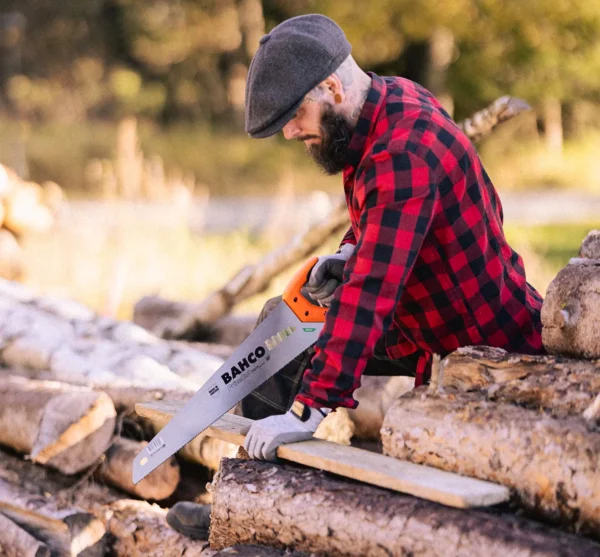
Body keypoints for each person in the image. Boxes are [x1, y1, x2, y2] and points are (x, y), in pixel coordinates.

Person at [166, 13, 544, 537]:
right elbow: (378, 230)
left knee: (305, 347)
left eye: (296, 115)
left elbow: (369, 296)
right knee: (283, 326)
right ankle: (245, 499)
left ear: (331, 86)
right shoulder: (385, 107)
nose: (291, 132)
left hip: (482, 347)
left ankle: (259, 503)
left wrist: (308, 410)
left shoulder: (402, 152)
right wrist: (344, 257)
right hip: (425, 322)